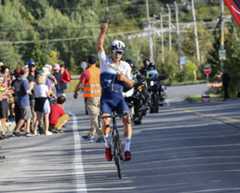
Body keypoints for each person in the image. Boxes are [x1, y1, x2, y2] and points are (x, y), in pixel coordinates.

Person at [97, 23, 134, 161]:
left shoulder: (125, 66)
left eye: (120, 52)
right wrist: (103, 31)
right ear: (111, 51)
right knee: (106, 123)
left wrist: (124, 78)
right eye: (116, 52)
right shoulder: (104, 62)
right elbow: (99, 46)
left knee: (127, 120)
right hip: (106, 99)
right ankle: (107, 146)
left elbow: (131, 84)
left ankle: (127, 149)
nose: (118, 54)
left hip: (119, 99)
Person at [74, 55, 102, 142]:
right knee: (95, 116)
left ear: (88, 62)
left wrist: (76, 92)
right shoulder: (100, 71)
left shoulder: (86, 72)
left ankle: (101, 135)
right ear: (95, 62)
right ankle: (91, 134)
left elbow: (81, 84)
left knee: (93, 117)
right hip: (100, 96)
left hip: (91, 97)